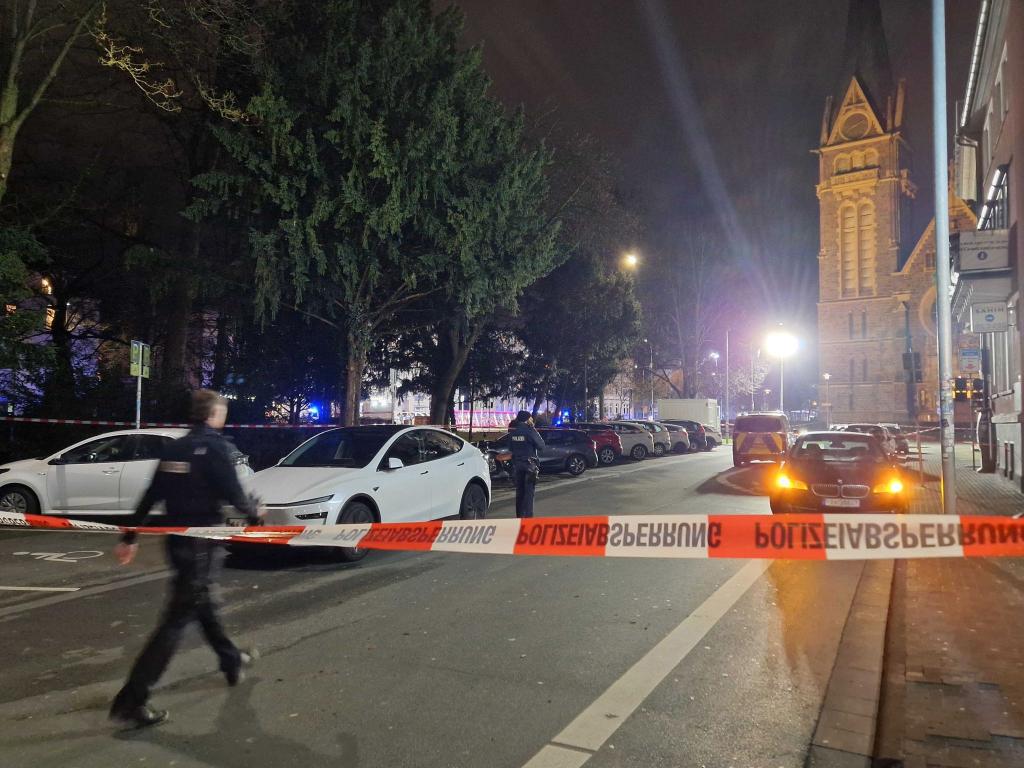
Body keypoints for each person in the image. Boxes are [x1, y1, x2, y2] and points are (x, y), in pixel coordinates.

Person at [109, 389, 263, 728]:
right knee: (177, 620)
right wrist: (255, 514)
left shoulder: (175, 448)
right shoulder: (216, 448)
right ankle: (132, 700)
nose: (224, 416)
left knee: (202, 603)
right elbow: (235, 495)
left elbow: (151, 495)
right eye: (222, 411)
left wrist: (130, 537)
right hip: (202, 546)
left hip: (178, 544)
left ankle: (231, 659)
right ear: (214, 414)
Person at [508, 410, 545, 519]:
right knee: (529, 493)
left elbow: (510, 448)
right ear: (527, 419)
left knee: (519, 492)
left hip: (517, 465)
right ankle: (528, 519)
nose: (532, 419)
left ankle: (519, 517)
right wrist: (534, 430)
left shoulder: (513, 432)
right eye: (530, 418)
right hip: (529, 465)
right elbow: (541, 446)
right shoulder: (530, 431)